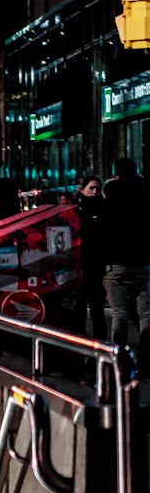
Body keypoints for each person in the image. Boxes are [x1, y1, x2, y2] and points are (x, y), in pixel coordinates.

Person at [101, 157, 150, 370]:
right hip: (142, 261)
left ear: (116, 174)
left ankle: (119, 360)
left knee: (119, 313)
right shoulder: (145, 198)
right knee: (146, 314)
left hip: (116, 262)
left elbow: (102, 230)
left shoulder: (109, 200)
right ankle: (147, 360)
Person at [74, 174, 107, 341]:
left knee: (97, 310)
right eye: (91, 188)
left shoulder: (104, 209)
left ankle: (99, 344)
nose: (94, 192)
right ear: (82, 190)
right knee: (80, 309)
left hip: (96, 265)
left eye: (97, 189)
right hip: (80, 265)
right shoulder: (75, 209)